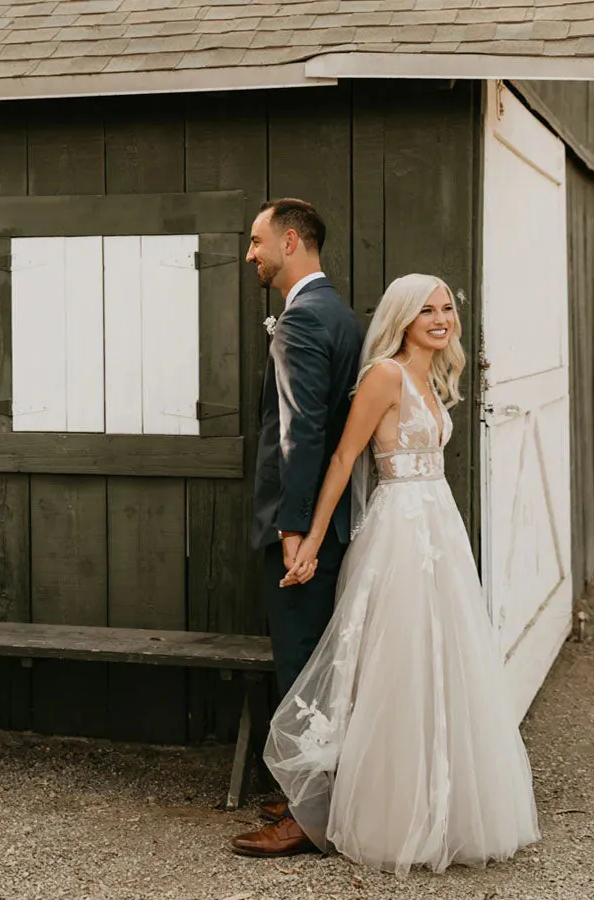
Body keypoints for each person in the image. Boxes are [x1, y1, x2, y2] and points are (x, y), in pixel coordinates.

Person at [254, 273, 540, 873]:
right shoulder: (385, 375)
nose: (441, 320)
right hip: (400, 533)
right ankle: (389, 813)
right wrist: (304, 538)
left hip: (440, 528)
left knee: (447, 661)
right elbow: (342, 458)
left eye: (446, 310)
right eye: (426, 311)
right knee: (397, 665)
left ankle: (448, 806)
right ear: (403, 320)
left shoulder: (434, 376)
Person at [231, 199, 364, 857]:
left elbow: (300, 433)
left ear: (290, 240)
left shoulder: (304, 321)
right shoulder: (337, 313)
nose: (250, 254)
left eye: (257, 242)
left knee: (302, 667)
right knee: (315, 661)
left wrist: (292, 530)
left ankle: (307, 817)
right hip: (328, 526)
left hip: (305, 532)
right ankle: (303, 792)